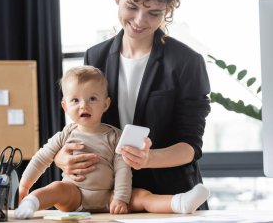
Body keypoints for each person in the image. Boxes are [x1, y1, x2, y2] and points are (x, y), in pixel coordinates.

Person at [54, 0, 212, 211]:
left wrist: (149, 159)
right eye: (132, 7)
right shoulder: (95, 57)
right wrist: (60, 158)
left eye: (153, 13)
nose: (140, 20)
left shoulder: (187, 62)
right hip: (110, 198)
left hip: (172, 197)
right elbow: (85, 126)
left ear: (166, 12)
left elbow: (191, 146)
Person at [14, 66, 209, 219]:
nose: (84, 105)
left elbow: (122, 170)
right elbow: (42, 158)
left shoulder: (115, 136)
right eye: (75, 100)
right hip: (76, 194)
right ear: (65, 106)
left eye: (92, 99)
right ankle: (30, 203)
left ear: (105, 104)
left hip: (109, 195)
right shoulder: (65, 134)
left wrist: (121, 198)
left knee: (142, 196)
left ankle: (180, 203)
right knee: (57, 188)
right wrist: (24, 185)